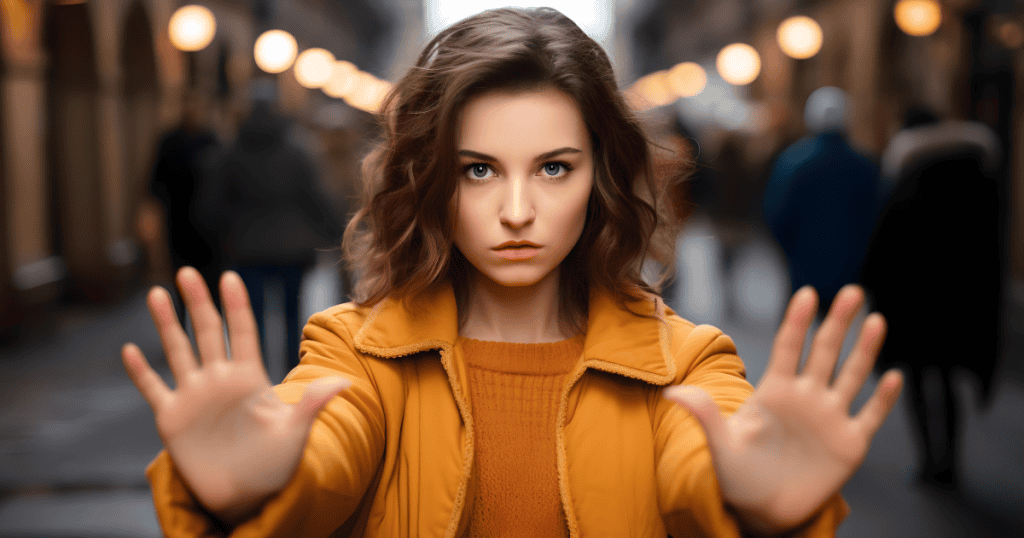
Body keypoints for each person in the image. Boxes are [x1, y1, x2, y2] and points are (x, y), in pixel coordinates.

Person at [121, 8, 903, 536]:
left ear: (600, 176)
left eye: (555, 169)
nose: (519, 210)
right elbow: (327, 448)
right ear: (431, 180)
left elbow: (701, 458)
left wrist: (754, 501)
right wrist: (259, 486)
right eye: (479, 170)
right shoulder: (355, 355)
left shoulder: (686, 364)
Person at [862, 106, 1001, 491]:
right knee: (947, 375)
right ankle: (952, 461)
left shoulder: (906, 176)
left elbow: (882, 245)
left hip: (912, 302)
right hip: (959, 301)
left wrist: (870, 289)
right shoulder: (979, 177)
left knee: (919, 378)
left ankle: (927, 461)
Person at [204, 86, 344, 372]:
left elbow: (213, 204)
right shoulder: (297, 151)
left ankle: (258, 374)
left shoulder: (232, 153)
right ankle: (292, 373)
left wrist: (220, 236)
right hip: (292, 249)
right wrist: (339, 231)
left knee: (252, 320)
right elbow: (315, 196)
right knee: (293, 315)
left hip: (247, 249)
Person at [762, 87, 880, 315]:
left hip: (804, 270)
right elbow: (875, 218)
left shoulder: (792, 163)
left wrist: (792, 253)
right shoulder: (866, 167)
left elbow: (776, 214)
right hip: (851, 272)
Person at [148, 91, 223, 323]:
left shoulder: (211, 139)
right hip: (178, 222)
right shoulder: (169, 141)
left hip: (209, 227)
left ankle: (211, 323)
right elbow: (155, 183)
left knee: (210, 280)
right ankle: (182, 324)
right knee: (180, 277)